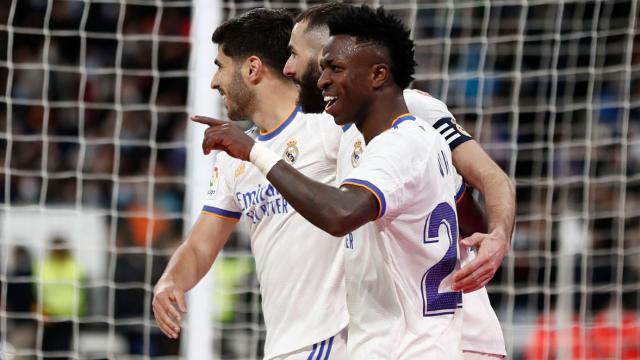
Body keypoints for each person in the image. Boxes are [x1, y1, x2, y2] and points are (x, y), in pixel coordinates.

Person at [194, 5, 469, 358]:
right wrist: (491, 236)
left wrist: (256, 152)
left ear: (377, 75)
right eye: (323, 68)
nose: (322, 79)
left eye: (334, 68)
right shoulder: (416, 144)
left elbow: (340, 214)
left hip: (404, 347)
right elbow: (469, 211)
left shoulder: (397, 144)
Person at [282, 3, 512, 358]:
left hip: (456, 334)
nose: (289, 68)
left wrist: (497, 235)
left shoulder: (412, 111)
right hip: (401, 335)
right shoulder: (344, 125)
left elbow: (491, 177)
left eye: (296, 54)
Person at [152, 9, 350, 359]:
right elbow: (200, 246)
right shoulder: (232, 155)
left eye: (220, 66)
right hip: (283, 342)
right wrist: (170, 280)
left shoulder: (328, 127)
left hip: (336, 336)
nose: (214, 82)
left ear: (252, 68)